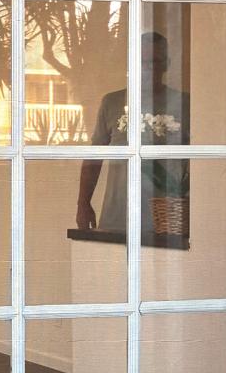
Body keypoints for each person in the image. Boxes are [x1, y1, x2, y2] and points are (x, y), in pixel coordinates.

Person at [75, 31, 190, 233]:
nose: (149, 68)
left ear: (166, 64)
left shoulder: (184, 104)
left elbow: (198, 163)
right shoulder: (112, 102)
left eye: (155, 61)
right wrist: (83, 203)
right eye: (143, 62)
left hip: (167, 216)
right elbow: (94, 157)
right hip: (118, 213)